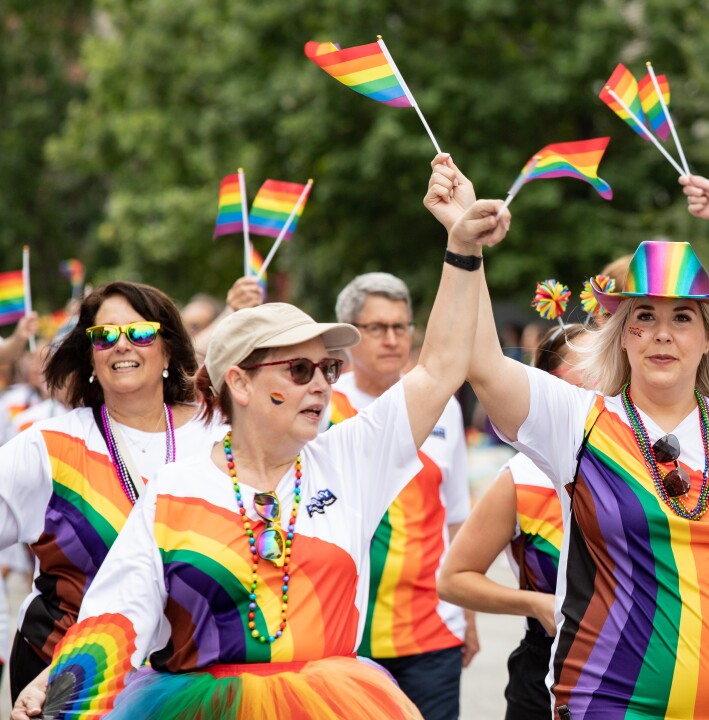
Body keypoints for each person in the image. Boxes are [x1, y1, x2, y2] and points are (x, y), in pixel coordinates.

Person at [13, 199, 510, 719]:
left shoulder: (351, 458)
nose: (320, 384)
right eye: (298, 369)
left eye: (327, 369)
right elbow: (116, 617)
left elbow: (440, 368)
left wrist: (462, 247)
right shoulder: (176, 491)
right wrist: (57, 685)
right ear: (241, 382)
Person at [424, 152, 709, 719]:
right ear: (622, 336)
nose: (662, 334)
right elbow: (484, 365)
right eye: (644, 317)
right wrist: (464, 247)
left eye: (682, 318)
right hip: (606, 704)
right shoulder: (580, 420)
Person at [0, 282, 232, 700]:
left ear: (167, 349)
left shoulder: (218, 437)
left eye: (140, 333)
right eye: (104, 336)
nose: (121, 346)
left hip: (188, 681)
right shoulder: (48, 445)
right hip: (66, 680)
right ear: (91, 357)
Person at [328, 272, 475, 720]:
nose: (392, 339)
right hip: (347, 631)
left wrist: (467, 615)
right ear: (350, 335)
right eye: (376, 328)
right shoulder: (322, 407)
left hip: (432, 631)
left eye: (401, 327)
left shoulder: (442, 406)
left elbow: (456, 516)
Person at [439, 322, 588, 720]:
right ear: (547, 384)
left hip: (641, 673)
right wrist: (535, 603)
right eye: (586, 368)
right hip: (545, 673)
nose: (602, 380)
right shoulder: (521, 478)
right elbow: (453, 578)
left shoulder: (646, 465)